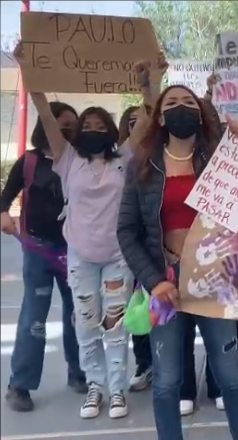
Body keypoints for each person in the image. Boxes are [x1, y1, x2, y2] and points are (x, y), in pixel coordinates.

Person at [17, 43, 162, 419]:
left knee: (114, 327)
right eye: (89, 126)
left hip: (118, 258)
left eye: (102, 126)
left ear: (111, 132)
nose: (95, 130)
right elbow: (46, 114)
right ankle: (94, 387)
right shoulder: (67, 160)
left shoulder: (124, 159)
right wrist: (29, 69)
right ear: (77, 132)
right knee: (85, 325)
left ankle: (116, 390)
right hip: (80, 258)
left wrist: (151, 85)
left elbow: (148, 118)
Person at [117, 83, 238, 440]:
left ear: (200, 113)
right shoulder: (141, 167)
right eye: (172, 103)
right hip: (166, 285)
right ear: (161, 117)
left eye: (189, 102)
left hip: (215, 283)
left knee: (231, 375)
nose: (182, 107)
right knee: (166, 381)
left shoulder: (218, 159)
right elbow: (127, 231)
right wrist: (154, 282)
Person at [1, 101, 87, 412]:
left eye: (72, 124)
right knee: (33, 318)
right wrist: (3, 215)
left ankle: (80, 373)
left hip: (75, 250)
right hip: (37, 251)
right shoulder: (29, 162)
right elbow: (5, 197)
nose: (67, 130)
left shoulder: (81, 161)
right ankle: (20, 384)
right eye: (61, 123)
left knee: (78, 315)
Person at [118, 105, 154, 393]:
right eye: (132, 121)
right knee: (137, 307)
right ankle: (144, 364)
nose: (137, 125)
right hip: (129, 248)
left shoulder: (162, 155)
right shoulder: (121, 156)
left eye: (141, 120)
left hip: (156, 244)